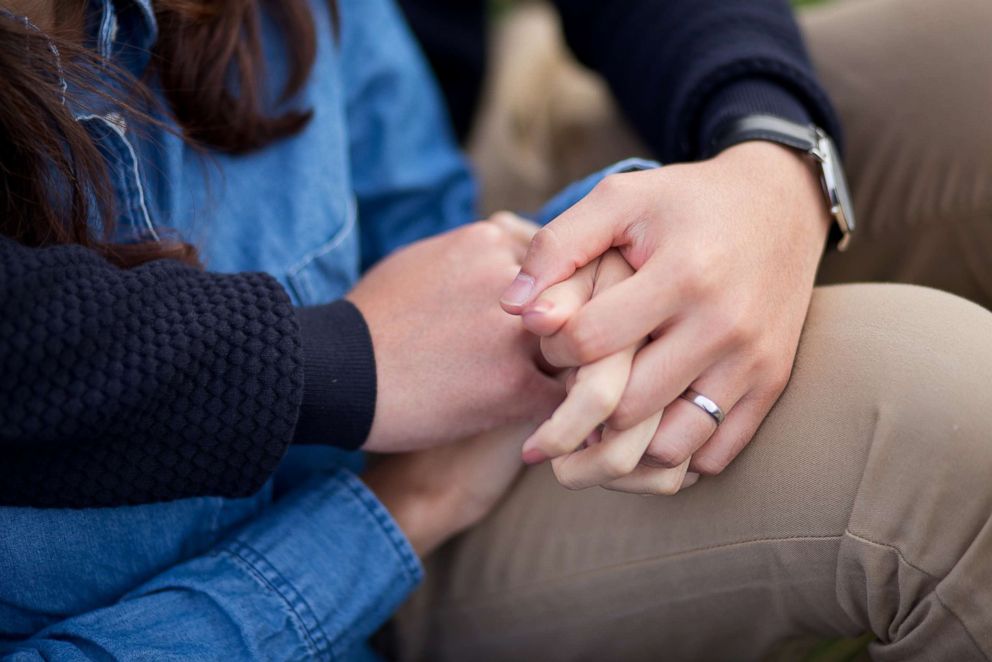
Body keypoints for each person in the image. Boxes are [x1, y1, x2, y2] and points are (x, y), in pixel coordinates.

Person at [1, 2, 991, 662]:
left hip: (476, 245)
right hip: (330, 567)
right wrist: (400, 505)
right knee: (944, 422)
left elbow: (426, 214)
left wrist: (770, 165)